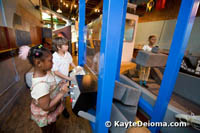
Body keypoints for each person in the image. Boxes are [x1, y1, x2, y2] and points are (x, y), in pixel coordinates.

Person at [19, 44, 69, 133]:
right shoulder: (40, 86)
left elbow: (51, 85)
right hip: (45, 114)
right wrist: (61, 93)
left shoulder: (47, 72)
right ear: (39, 63)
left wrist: (59, 84)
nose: (53, 63)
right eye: (50, 60)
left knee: (52, 126)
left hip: (52, 109)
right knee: (48, 129)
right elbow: (46, 107)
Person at [51, 37, 77, 118]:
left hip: (65, 79)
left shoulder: (67, 54)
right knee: (58, 96)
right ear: (58, 47)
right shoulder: (54, 57)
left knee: (64, 96)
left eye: (67, 44)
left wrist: (77, 69)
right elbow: (56, 72)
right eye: (65, 45)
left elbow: (71, 63)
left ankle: (63, 108)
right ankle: (59, 110)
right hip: (57, 81)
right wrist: (68, 78)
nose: (67, 46)